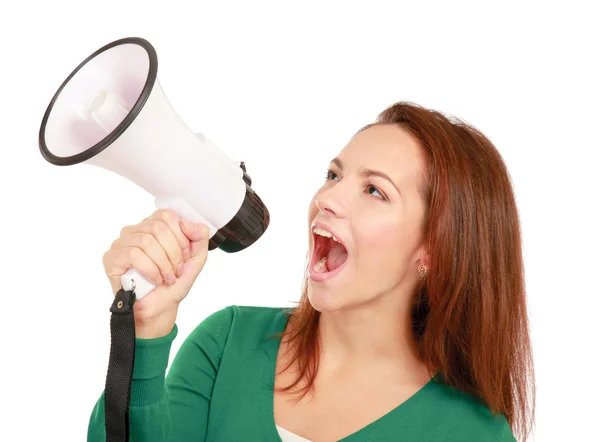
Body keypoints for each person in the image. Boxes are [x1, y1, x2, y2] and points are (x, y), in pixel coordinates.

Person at [87, 101, 535, 442]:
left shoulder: (473, 431)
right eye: (334, 175)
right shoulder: (229, 343)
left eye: (375, 191)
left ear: (433, 249)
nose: (328, 198)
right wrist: (143, 330)